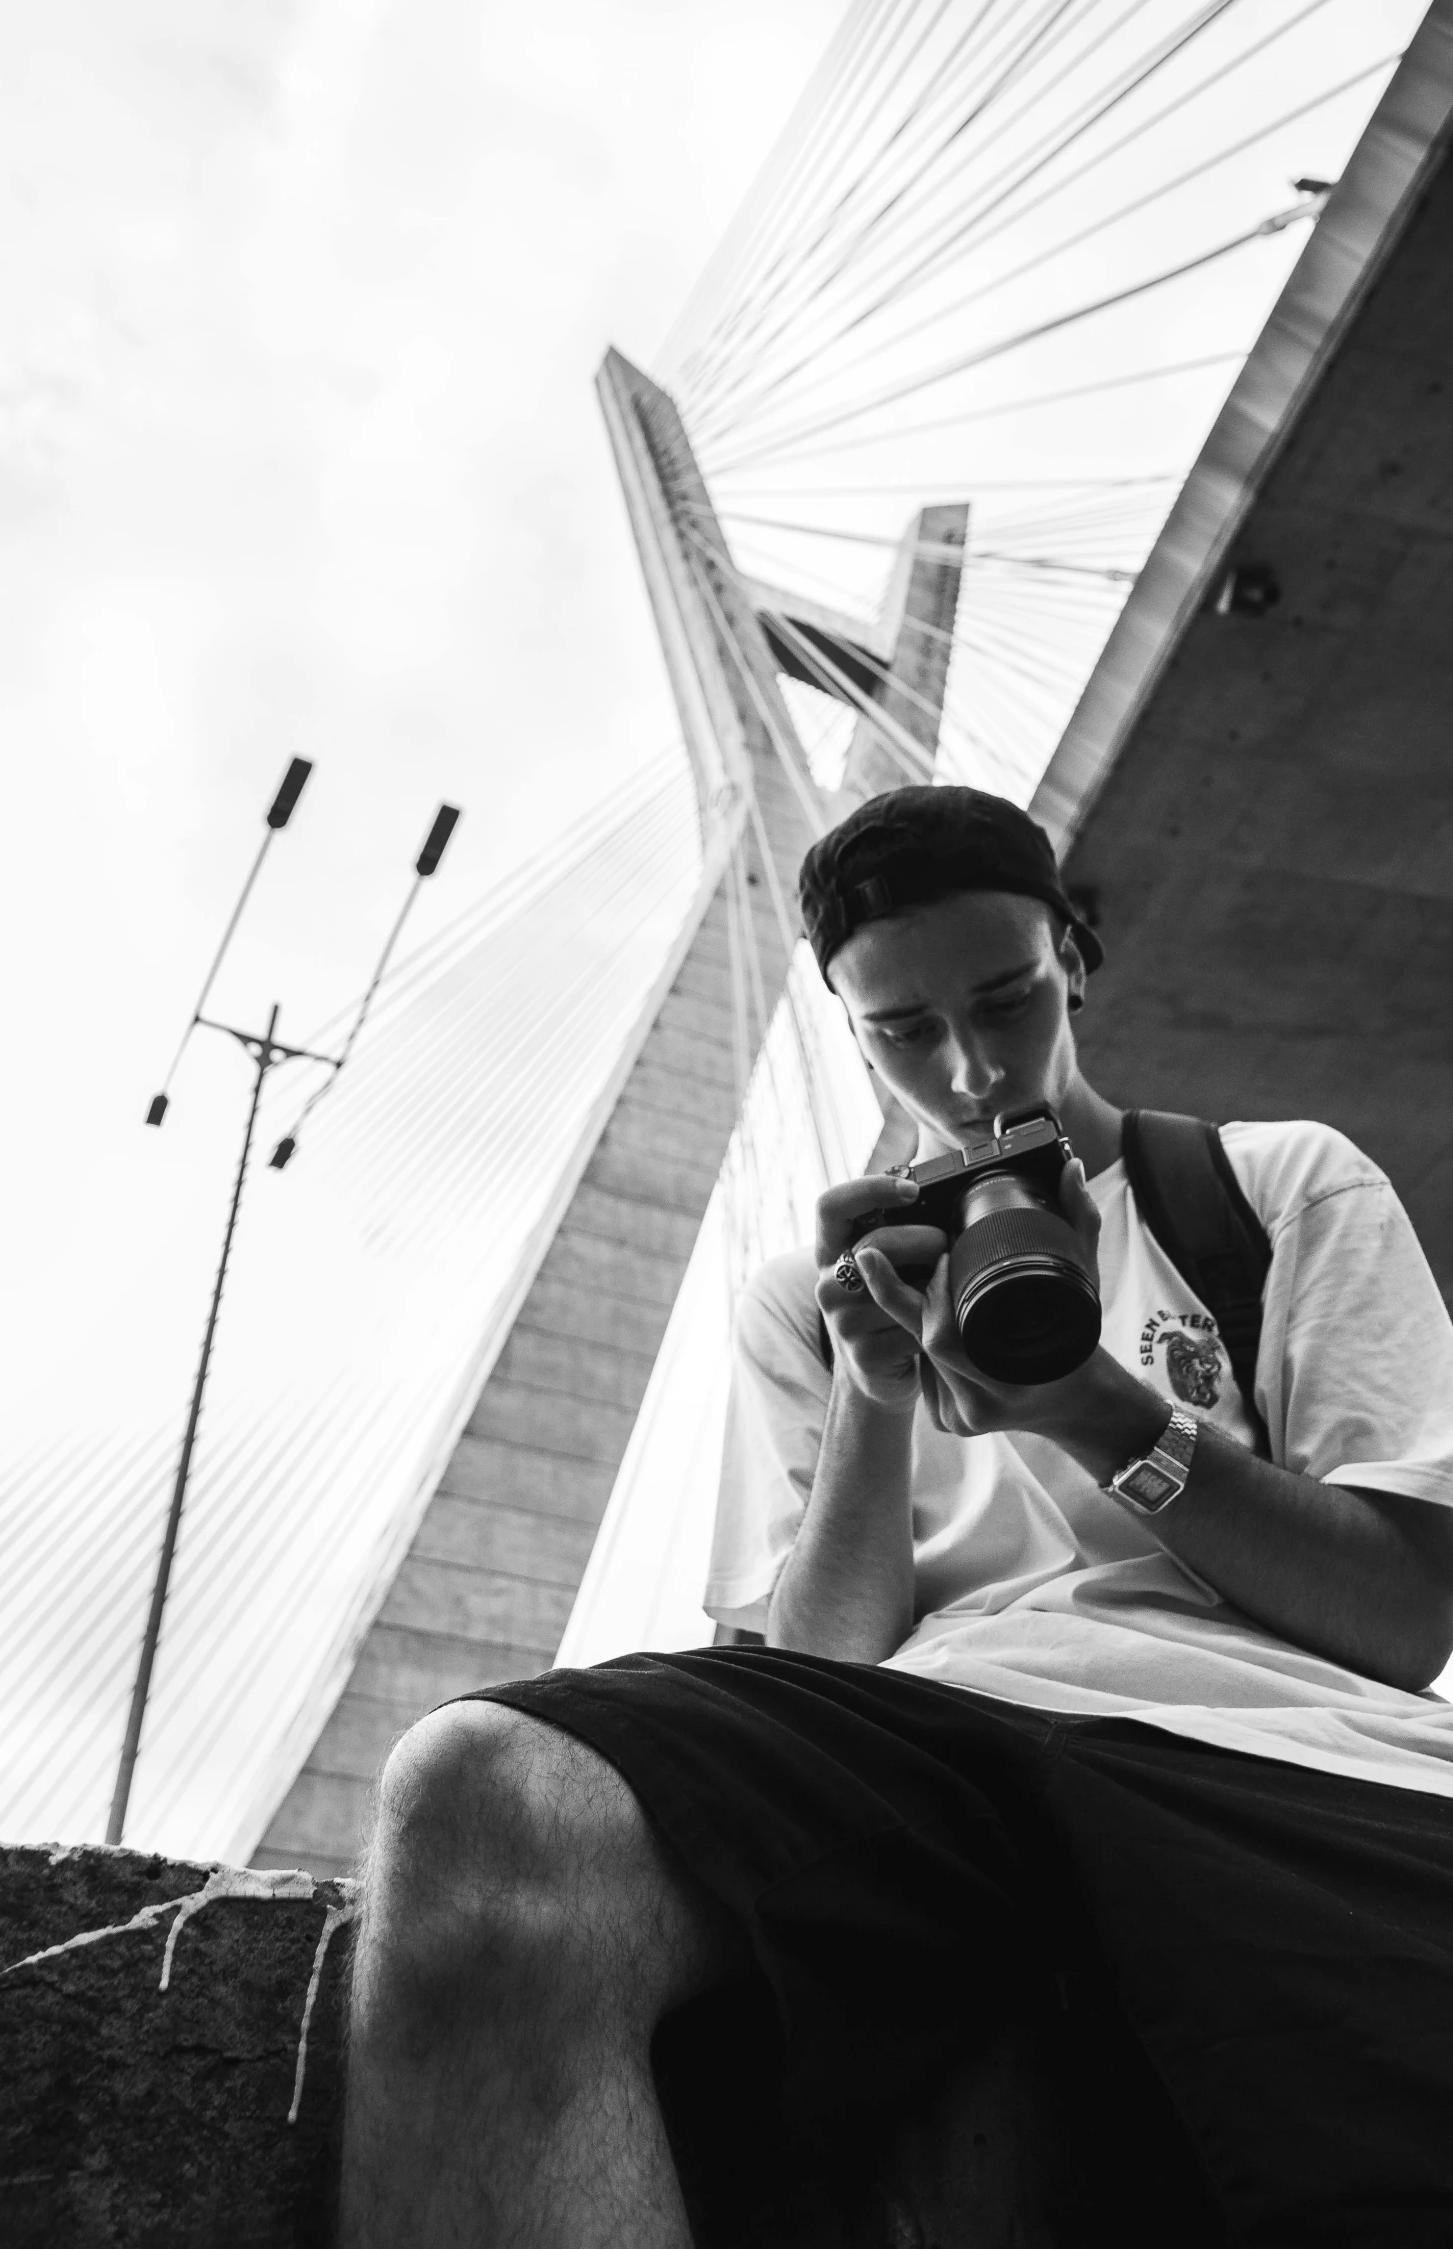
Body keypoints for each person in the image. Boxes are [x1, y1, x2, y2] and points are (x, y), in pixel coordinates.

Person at [338, 786, 1453, 2249]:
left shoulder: (1267, 1186)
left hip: (1278, 1753)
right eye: (904, 1030)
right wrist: (872, 1389)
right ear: (851, 1032)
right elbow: (814, 1662)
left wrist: (1084, 1403)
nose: (973, 1066)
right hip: (936, 1753)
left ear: (1074, 951)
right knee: (475, 1787)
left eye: (1006, 999)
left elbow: (1399, 1619)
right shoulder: (804, 1304)